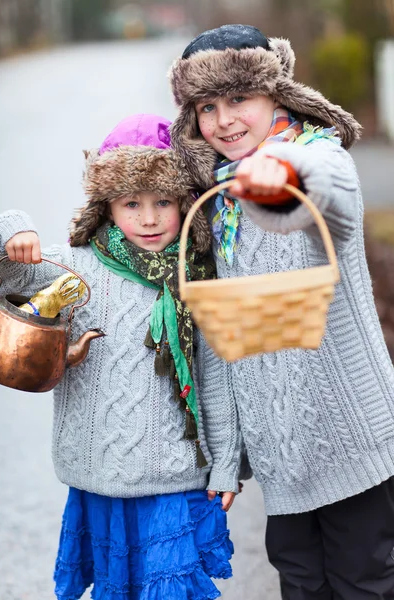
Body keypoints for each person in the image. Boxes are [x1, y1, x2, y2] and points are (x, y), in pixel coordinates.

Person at [168, 24, 394, 599]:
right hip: (281, 460)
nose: (224, 120)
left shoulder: (318, 156)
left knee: (365, 584)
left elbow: (334, 195)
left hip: (354, 445)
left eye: (239, 98)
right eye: (207, 107)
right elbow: (226, 345)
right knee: (299, 587)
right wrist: (225, 459)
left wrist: (284, 177)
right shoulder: (217, 205)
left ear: (277, 94)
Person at [0, 114, 242, 600]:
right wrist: (10, 228)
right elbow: (4, 274)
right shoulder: (75, 268)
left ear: (186, 203)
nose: (148, 219)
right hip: (100, 479)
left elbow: (215, 378)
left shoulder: (196, 278)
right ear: (107, 208)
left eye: (163, 202)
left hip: (176, 479)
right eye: (132, 203)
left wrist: (227, 463)